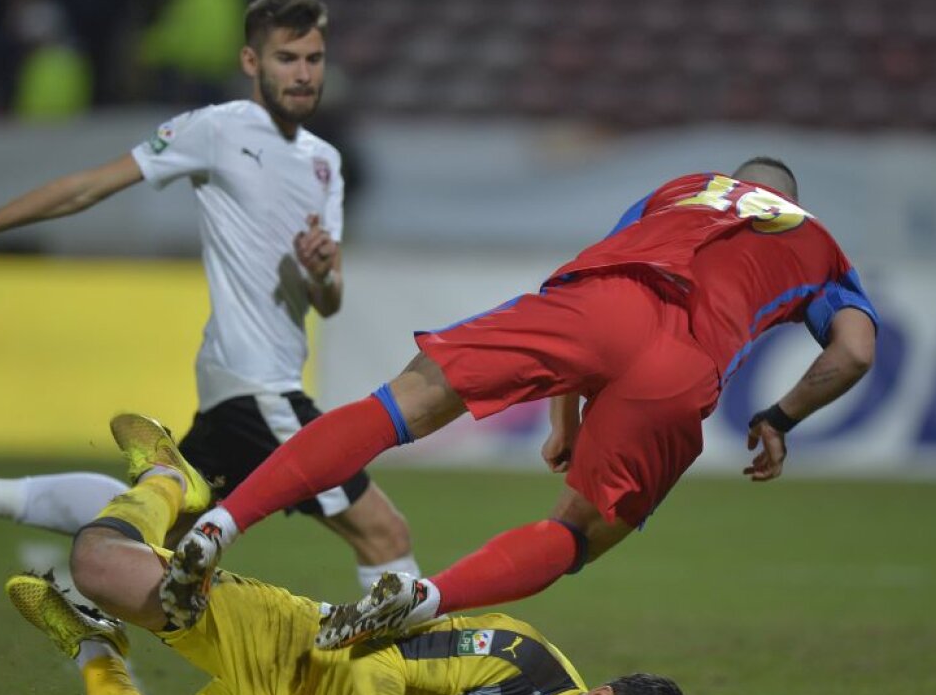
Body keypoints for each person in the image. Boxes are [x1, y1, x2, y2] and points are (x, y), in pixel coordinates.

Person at [155, 158, 879, 638]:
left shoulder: (681, 188)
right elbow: (853, 352)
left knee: (402, 401)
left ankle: (217, 526)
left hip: (605, 305)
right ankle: (423, 601)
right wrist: (778, 418)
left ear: (733, 180)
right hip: (685, 368)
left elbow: (605, 280)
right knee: (584, 530)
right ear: (791, 201)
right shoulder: (817, 243)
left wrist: (564, 417)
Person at [0, 0, 419, 591]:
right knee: (383, 534)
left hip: (242, 389)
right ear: (249, 62)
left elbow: (328, 300)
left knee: (166, 526)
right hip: (258, 388)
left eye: (313, 58)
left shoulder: (326, 165)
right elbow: (91, 186)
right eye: (286, 58)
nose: (303, 73)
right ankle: (395, 677)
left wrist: (321, 270)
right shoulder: (215, 130)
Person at [5, 413, 689, 695]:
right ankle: (165, 479)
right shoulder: (519, 660)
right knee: (101, 567)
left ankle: (96, 651)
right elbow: (379, 660)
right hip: (300, 650)